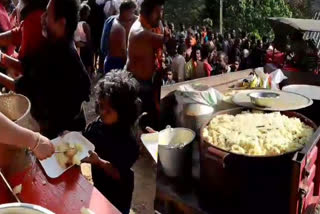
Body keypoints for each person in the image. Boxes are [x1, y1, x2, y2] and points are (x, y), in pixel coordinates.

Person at [0, 0, 91, 139]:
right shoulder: (53, 43)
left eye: (47, 15)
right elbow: (30, 68)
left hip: (62, 135)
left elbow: (24, 87)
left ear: (61, 23)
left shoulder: (60, 58)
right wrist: (3, 58)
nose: (42, 18)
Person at [82, 70, 140, 214]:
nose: (102, 112)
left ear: (123, 112)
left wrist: (99, 162)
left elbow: (118, 174)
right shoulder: (96, 127)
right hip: (100, 186)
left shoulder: (129, 141)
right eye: (101, 106)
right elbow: (83, 142)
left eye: (108, 111)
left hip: (119, 194)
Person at [126, 0, 167, 129]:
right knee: (142, 127)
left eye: (161, 11)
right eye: (157, 12)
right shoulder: (141, 33)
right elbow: (168, 43)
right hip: (138, 86)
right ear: (146, 12)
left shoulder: (150, 25)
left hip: (148, 82)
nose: (160, 16)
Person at [0, 0, 48, 77]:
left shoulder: (36, 18)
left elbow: (26, 70)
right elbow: (17, 34)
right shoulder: (33, 13)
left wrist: (3, 58)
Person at [101, 1, 137, 74]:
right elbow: (104, 45)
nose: (133, 15)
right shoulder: (111, 22)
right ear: (125, 11)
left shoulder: (135, 21)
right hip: (113, 61)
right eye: (132, 12)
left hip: (125, 62)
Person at [75, 3, 93, 77]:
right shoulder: (85, 25)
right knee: (87, 66)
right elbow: (89, 40)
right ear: (86, 13)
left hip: (78, 48)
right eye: (88, 12)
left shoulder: (75, 23)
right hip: (85, 48)